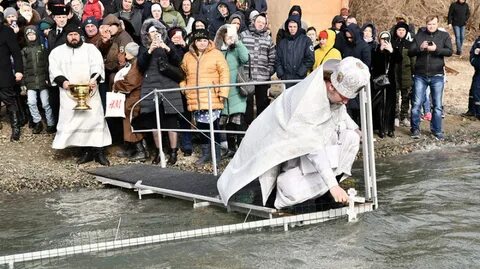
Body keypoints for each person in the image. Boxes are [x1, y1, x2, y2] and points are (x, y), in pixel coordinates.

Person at [217, 57, 370, 208]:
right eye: (344, 97)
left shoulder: (332, 91)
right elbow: (313, 147)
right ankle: (278, 198)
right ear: (331, 87)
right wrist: (332, 185)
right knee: (288, 187)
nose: (345, 102)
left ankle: (326, 195)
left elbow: (340, 111)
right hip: (277, 139)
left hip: (305, 143)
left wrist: (357, 130)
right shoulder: (309, 101)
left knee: (351, 137)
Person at [48, 24, 111, 165]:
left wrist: (94, 80)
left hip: (90, 92)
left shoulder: (90, 49)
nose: (73, 37)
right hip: (69, 93)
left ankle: (99, 152)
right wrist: (63, 82)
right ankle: (86, 151)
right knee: (75, 122)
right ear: (66, 36)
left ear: (80, 35)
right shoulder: (57, 52)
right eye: (70, 35)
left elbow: (98, 66)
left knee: (95, 120)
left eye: (76, 34)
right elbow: (54, 70)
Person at [136, 18, 184, 165]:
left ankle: (174, 152)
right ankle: (158, 152)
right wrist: (150, 50)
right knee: (153, 121)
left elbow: (178, 60)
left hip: (168, 84)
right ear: (147, 35)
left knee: (171, 120)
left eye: (157, 31)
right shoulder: (143, 47)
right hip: (151, 84)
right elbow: (141, 65)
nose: (155, 34)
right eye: (151, 32)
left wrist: (167, 48)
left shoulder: (168, 43)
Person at [180, 28, 230, 165]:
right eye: (198, 40)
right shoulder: (187, 56)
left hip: (212, 96)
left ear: (208, 41)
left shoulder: (216, 54)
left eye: (204, 40)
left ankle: (217, 154)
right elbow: (183, 75)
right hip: (195, 98)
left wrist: (223, 93)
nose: (201, 43)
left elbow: (224, 74)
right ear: (194, 42)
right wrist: (184, 88)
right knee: (201, 127)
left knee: (214, 127)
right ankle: (206, 154)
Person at [408, 15, 452, 140]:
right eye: (429, 24)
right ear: (426, 24)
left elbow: (449, 51)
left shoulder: (444, 36)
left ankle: (436, 130)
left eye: (433, 24)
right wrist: (420, 48)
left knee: (437, 105)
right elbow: (410, 52)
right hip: (420, 74)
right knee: (416, 103)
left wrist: (436, 49)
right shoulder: (419, 35)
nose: (431, 26)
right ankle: (415, 129)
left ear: (437, 24)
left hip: (437, 74)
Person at [214, 23, 249, 157]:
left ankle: (242, 149)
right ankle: (231, 149)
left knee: (238, 120)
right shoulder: (218, 51)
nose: (228, 38)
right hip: (224, 92)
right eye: (226, 36)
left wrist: (237, 42)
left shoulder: (237, 48)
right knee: (227, 122)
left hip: (237, 91)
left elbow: (245, 58)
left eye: (230, 36)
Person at [112, 42, 147, 162]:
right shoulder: (133, 64)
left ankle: (140, 150)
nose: (125, 55)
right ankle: (133, 148)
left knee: (131, 123)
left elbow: (130, 83)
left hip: (134, 99)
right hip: (132, 98)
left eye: (126, 52)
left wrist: (116, 84)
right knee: (129, 122)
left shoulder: (136, 66)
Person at [239, 12, 275, 123]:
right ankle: (247, 131)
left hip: (262, 79)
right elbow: (237, 53)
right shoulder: (243, 35)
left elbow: (272, 58)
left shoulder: (268, 39)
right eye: (258, 22)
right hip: (247, 79)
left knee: (262, 107)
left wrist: (269, 72)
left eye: (263, 23)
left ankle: (260, 131)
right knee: (247, 108)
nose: (260, 24)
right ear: (253, 22)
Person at [21, 26, 55, 134]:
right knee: (31, 102)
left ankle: (51, 123)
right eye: (29, 35)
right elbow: (23, 67)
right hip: (30, 81)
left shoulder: (42, 48)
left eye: (33, 34)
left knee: (46, 103)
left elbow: (47, 65)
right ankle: (37, 121)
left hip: (42, 80)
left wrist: (47, 78)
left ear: (36, 35)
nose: (31, 36)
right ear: (26, 37)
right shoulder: (24, 50)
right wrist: (23, 83)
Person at [0, 11, 24, 141]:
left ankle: (16, 127)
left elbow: (16, 53)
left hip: (4, 72)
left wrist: (19, 70)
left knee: (9, 100)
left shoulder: (7, 32)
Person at [275, 15, 314, 89]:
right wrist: (281, 74)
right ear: (287, 27)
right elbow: (277, 59)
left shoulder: (306, 41)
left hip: (299, 78)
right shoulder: (283, 42)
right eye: (290, 27)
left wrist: (300, 73)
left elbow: (310, 59)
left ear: (298, 27)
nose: (292, 29)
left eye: (294, 27)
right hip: (286, 78)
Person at [371, 31, 396, 138]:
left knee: (390, 105)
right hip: (380, 81)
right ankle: (381, 128)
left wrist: (391, 51)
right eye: (382, 38)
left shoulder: (393, 49)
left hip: (391, 82)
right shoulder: (376, 50)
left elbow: (398, 60)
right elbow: (374, 63)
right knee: (380, 106)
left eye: (387, 38)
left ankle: (390, 128)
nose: (384, 41)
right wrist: (380, 51)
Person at [392, 21, 415, 127]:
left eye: (403, 30)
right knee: (394, 97)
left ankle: (404, 116)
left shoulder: (410, 45)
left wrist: (414, 73)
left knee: (406, 97)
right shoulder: (392, 43)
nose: (401, 32)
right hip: (394, 74)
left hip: (406, 74)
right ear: (396, 31)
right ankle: (395, 116)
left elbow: (413, 60)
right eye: (399, 30)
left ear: (406, 32)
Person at [469, 30, 480, 119]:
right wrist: (473, 60)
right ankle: (472, 110)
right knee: (473, 90)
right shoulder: (478, 40)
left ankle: (478, 112)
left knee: (477, 90)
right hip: (477, 69)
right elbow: (472, 52)